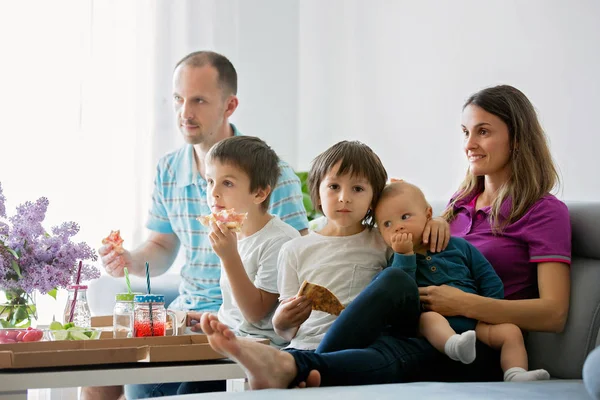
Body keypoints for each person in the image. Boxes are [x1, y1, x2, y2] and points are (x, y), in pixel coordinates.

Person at [196, 84, 571, 389]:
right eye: (465, 132)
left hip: (477, 340)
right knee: (392, 292)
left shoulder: (544, 212)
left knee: (391, 350)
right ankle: (289, 362)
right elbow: (399, 220)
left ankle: (288, 365)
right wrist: (439, 219)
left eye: (484, 132)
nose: (469, 143)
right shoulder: (456, 206)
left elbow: (553, 314)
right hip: (414, 323)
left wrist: (464, 304)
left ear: (518, 139)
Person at [95, 51, 308, 399]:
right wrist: (129, 260)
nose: (184, 113)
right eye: (178, 99)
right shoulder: (168, 169)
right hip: (188, 312)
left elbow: (297, 259)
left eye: (198, 101)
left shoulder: (271, 175)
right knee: (100, 368)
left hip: (242, 324)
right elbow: (162, 247)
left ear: (229, 105)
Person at [377, 180, 549, 381]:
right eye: (387, 224)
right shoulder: (395, 262)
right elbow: (400, 293)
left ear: (428, 215)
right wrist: (404, 256)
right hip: (435, 326)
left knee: (511, 332)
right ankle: (454, 346)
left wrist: (489, 312)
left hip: (476, 323)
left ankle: (516, 374)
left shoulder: (458, 246)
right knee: (428, 320)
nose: (398, 227)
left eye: (405, 217)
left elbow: (487, 278)